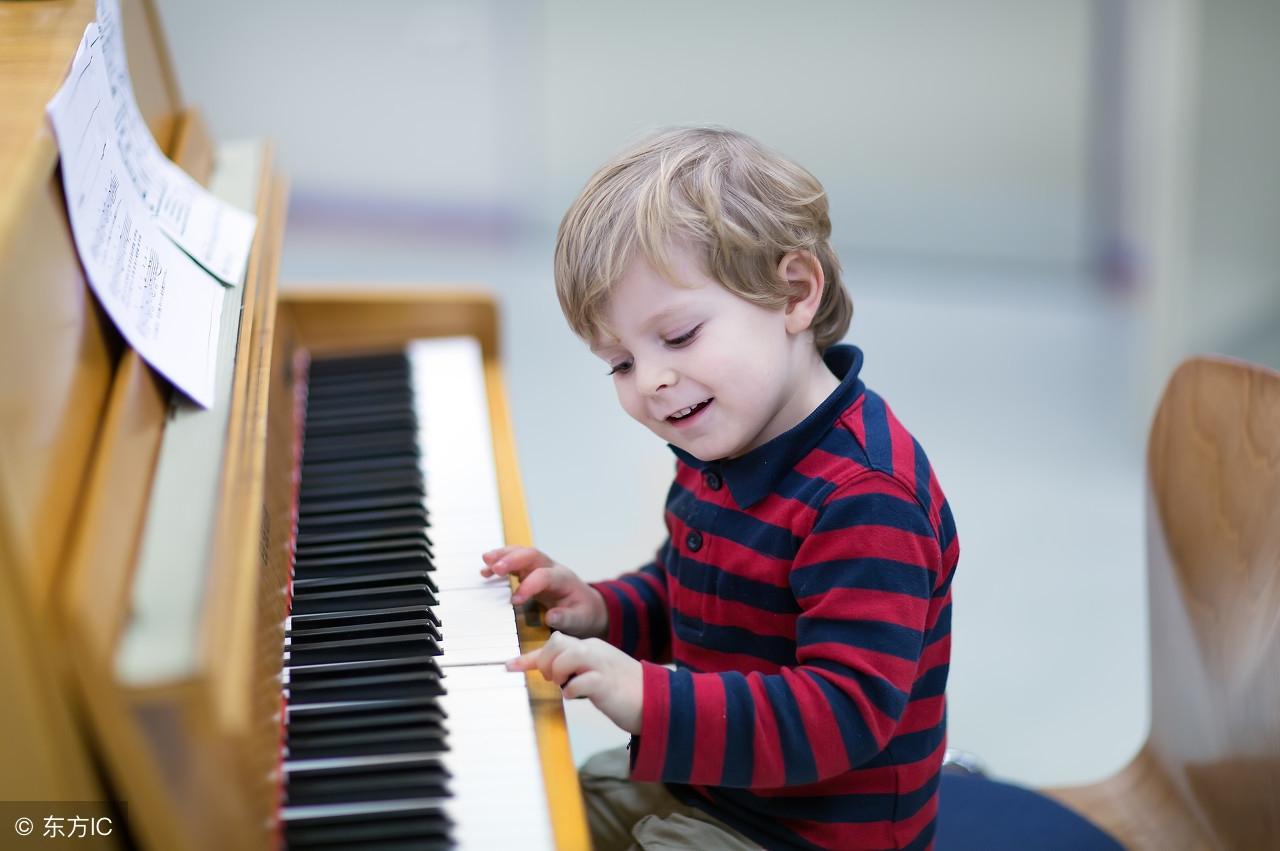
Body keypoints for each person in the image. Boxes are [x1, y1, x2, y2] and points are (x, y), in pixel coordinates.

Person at [482, 126, 958, 850]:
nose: (652, 382)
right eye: (619, 363)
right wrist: (603, 608)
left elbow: (843, 712)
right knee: (540, 811)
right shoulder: (726, 440)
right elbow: (696, 593)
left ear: (793, 293)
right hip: (722, 786)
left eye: (677, 337)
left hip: (815, 832)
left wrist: (647, 694)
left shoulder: (865, 498)